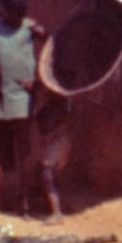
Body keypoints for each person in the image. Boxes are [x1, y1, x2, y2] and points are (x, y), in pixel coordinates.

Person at [0, 0, 46, 219]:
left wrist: (38, 80)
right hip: (0, 97)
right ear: (3, 10)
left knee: (24, 152)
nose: (16, 17)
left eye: (21, 13)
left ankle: (24, 203)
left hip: (23, 98)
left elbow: (52, 47)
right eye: (12, 12)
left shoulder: (29, 28)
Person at [35, 90, 73, 225]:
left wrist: (51, 137)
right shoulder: (55, 104)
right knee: (52, 175)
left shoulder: (62, 104)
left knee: (48, 175)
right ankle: (56, 208)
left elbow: (64, 124)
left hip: (56, 141)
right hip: (55, 141)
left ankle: (57, 213)